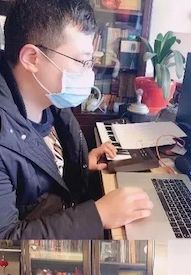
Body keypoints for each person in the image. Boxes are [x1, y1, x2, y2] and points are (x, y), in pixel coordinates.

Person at [0, 0, 154, 239]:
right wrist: (98, 215)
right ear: (32, 58)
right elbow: (6, 243)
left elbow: (43, 171)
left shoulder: (50, 101)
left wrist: (81, 166)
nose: (89, 72)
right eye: (82, 62)